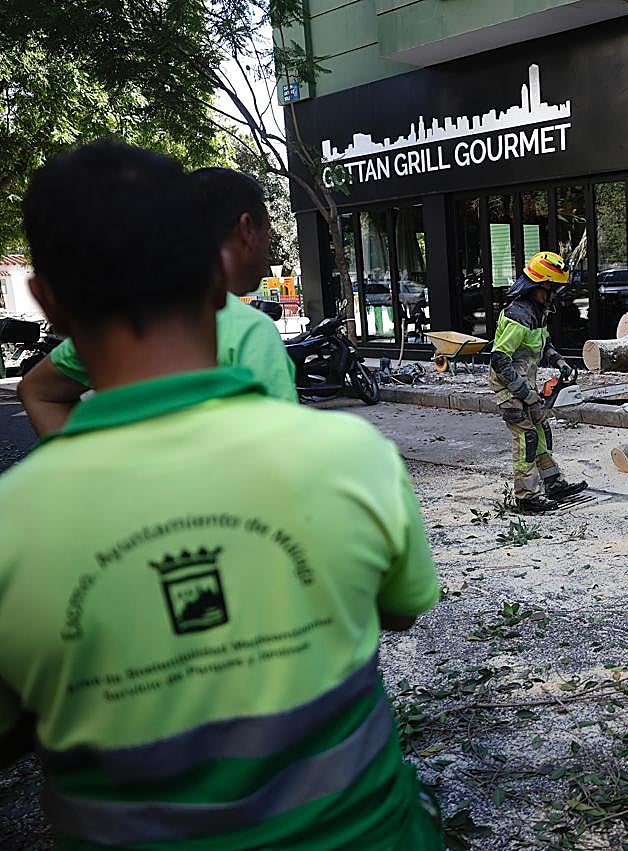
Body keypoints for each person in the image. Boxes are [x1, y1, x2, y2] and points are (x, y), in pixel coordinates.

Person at [0, 140, 443, 848]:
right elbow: (397, 613)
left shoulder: (12, 528)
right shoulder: (354, 460)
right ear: (217, 277)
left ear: (47, 301)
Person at [17, 166, 296, 436]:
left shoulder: (116, 325)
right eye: (267, 233)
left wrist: (86, 470)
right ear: (247, 229)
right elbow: (287, 457)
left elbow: (39, 392)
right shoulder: (251, 331)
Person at [489, 251, 587, 513]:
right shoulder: (517, 314)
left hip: (526, 381)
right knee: (526, 437)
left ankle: (553, 482)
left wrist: (559, 361)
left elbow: (543, 344)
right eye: (553, 288)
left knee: (542, 429)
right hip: (508, 384)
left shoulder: (538, 311)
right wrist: (521, 391)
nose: (555, 294)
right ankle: (526, 496)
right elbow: (499, 359)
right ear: (540, 285)